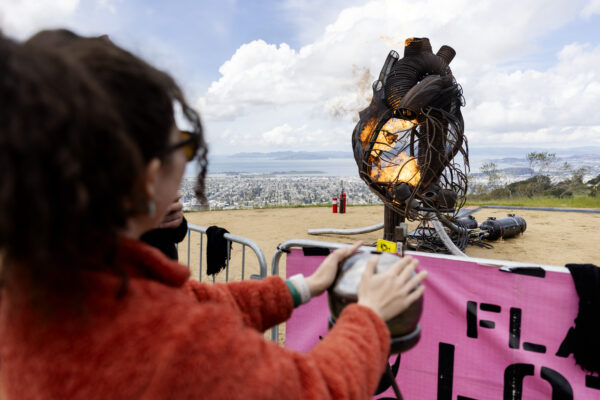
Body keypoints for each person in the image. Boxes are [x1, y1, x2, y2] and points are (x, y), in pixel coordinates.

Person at [0, 31, 427, 399]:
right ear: (148, 178)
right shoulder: (172, 345)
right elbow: (316, 389)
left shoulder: (38, 287)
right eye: (181, 145)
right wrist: (369, 318)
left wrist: (303, 287)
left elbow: (190, 301)